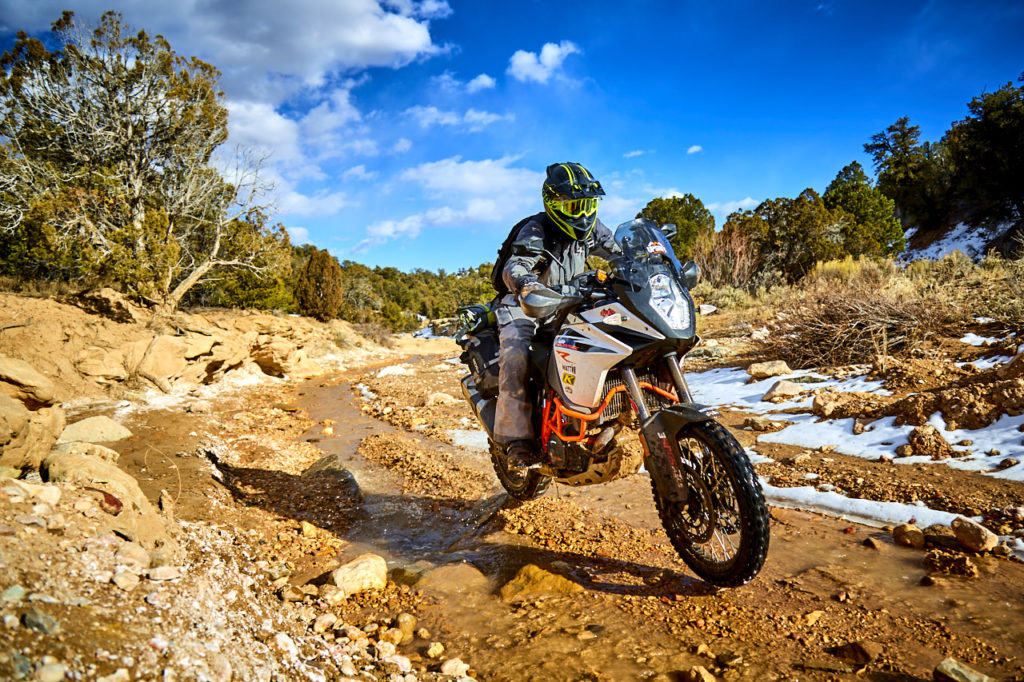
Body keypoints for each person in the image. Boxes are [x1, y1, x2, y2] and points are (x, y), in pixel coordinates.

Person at [494, 162, 622, 469]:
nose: (583, 214)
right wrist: (525, 283)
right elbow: (517, 264)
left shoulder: (592, 228)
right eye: (575, 206)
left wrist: (646, 260)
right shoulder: (536, 230)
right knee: (516, 352)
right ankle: (517, 440)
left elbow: (617, 251)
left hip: (569, 302)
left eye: (588, 205)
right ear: (553, 203)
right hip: (525, 304)